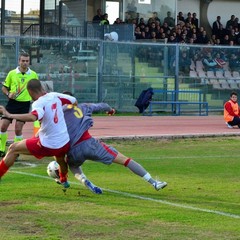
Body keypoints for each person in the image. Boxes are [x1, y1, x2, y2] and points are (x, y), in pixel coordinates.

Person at [60, 93, 167, 192]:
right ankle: (154, 183)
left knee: (73, 167)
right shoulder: (83, 106)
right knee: (125, 160)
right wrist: (110, 110)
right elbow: (103, 105)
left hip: (72, 150)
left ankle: (84, 180)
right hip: (89, 144)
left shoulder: (58, 113)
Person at [0, 79, 77, 188]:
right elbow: (74, 101)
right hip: (64, 142)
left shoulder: (38, 103)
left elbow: (33, 117)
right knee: (60, 158)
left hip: (48, 145)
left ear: (30, 91)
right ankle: (64, 180)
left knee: (13, 148)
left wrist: (9, 115)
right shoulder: (55, 95)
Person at [0, 52, 38, 157]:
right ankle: (1, 149)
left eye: (27, 61)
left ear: (29, 62)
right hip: (12, 104)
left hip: (25, 105)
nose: (25, 63)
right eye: (23, 61)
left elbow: (36, 89)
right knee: (3, 126)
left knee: (18, 128)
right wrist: (8, 94)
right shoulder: (12, 73)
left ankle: (16, 152)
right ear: (19, 61)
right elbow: (4, 87)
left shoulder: (33, 74)